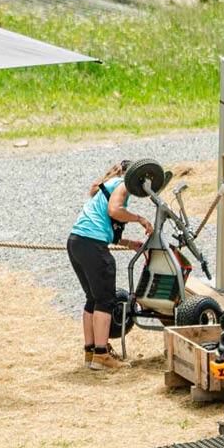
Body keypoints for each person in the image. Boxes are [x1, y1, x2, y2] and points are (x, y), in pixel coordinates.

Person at [68, 160, 152, 373]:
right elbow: (115, 211)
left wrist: (129, 243)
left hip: (77, 242)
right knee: (106, 299)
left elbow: (105, 226)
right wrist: (139, 219)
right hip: (92, 244)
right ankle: (102, 355)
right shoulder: (122, 184)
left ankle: (90, 351)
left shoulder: (108, 186)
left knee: (93, 298)